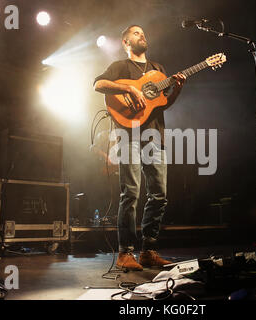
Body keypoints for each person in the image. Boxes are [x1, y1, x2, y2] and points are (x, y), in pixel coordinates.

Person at [93, 25, 186, 271]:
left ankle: (148, 251)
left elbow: (161, 104)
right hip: (128, 134)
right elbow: (98, 85)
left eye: (143, 32)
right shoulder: (119, 67)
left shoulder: (158, 70)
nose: (141, 35)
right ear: (125, 42)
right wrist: (128, 88)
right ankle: (125, 252)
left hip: (155, 136)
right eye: (135, 33)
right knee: (131, 193)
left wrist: (177, 89)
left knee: (159, 194)